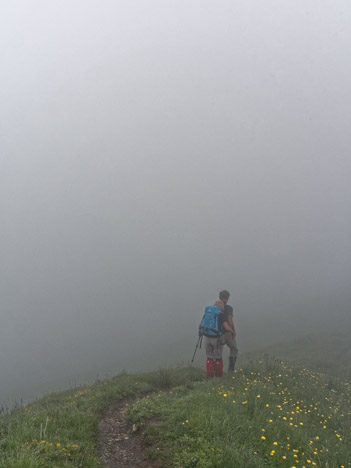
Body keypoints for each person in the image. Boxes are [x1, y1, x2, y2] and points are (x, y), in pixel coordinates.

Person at [201, 300, 233, 378]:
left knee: (209, 357)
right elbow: (226, 327)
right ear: (221, 307)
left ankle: (210, 376)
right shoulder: (221, 315)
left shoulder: (207, 313)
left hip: (206, 338)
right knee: (218, 357)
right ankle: (219, 376)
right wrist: (232, 331)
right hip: (216, 339)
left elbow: (200, 325)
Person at [219, 290, 238, 372]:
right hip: (226, 332)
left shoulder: (216, 307)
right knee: (234, 349)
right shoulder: (228, 308)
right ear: (227, 298)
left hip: (216, 333)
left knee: (218, 352)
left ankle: (216, 371)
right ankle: (231, 370)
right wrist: (232, 331)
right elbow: (230, 320)